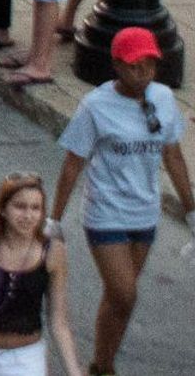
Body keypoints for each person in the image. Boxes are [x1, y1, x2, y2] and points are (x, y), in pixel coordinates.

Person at [53, 24, 193, 372]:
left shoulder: (162, 98)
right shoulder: (96, 106)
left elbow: (173, 155)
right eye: (134, 65)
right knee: (125, 293)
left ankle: (102, 364)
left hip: (145, 213)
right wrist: (53, 220)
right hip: (105, 212)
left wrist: (191, 209)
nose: (143, 71)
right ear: (116, 65)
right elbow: (73, 164)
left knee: (119, 300)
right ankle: (103, 365)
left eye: (150, 64)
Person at [0, 174, 82, 376]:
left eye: (35, 208)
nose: (28, 216)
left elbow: (59, 321)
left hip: (26, 357)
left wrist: (74, 371)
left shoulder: (53, 251)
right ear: (3, 209)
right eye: (20, 206)